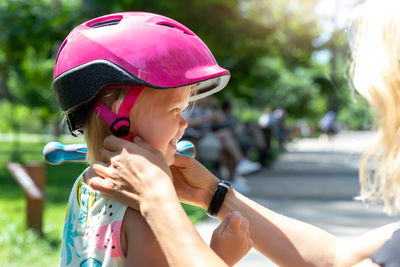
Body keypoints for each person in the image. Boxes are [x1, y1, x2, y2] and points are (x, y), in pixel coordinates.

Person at [89, 1, 400, 266]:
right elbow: (335, 258)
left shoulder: (93, 193)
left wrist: (158, 202)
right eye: (175, 111)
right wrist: (211, 194)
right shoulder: (136, 220)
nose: (184, 123)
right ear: (120, 119)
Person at [53, 12, 252, 266]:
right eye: (174, 109)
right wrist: (220, 257)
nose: (184, 123)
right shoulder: (145, 212)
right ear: (118, 113)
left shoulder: (85, 184)